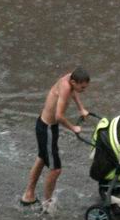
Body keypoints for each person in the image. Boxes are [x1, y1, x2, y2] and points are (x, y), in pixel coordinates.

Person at [21, 68, 91, 208]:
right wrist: (73, 128)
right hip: (47, 129)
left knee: (42, 157)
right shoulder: (66, 87)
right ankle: (47, 203)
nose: (83, 90)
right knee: (56, 169)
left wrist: (81, 108)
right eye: (82, 87)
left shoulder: (70, 78)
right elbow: (59, 116)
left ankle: (28, 195)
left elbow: (74, 92)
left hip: (46, 126)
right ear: (73, 81)